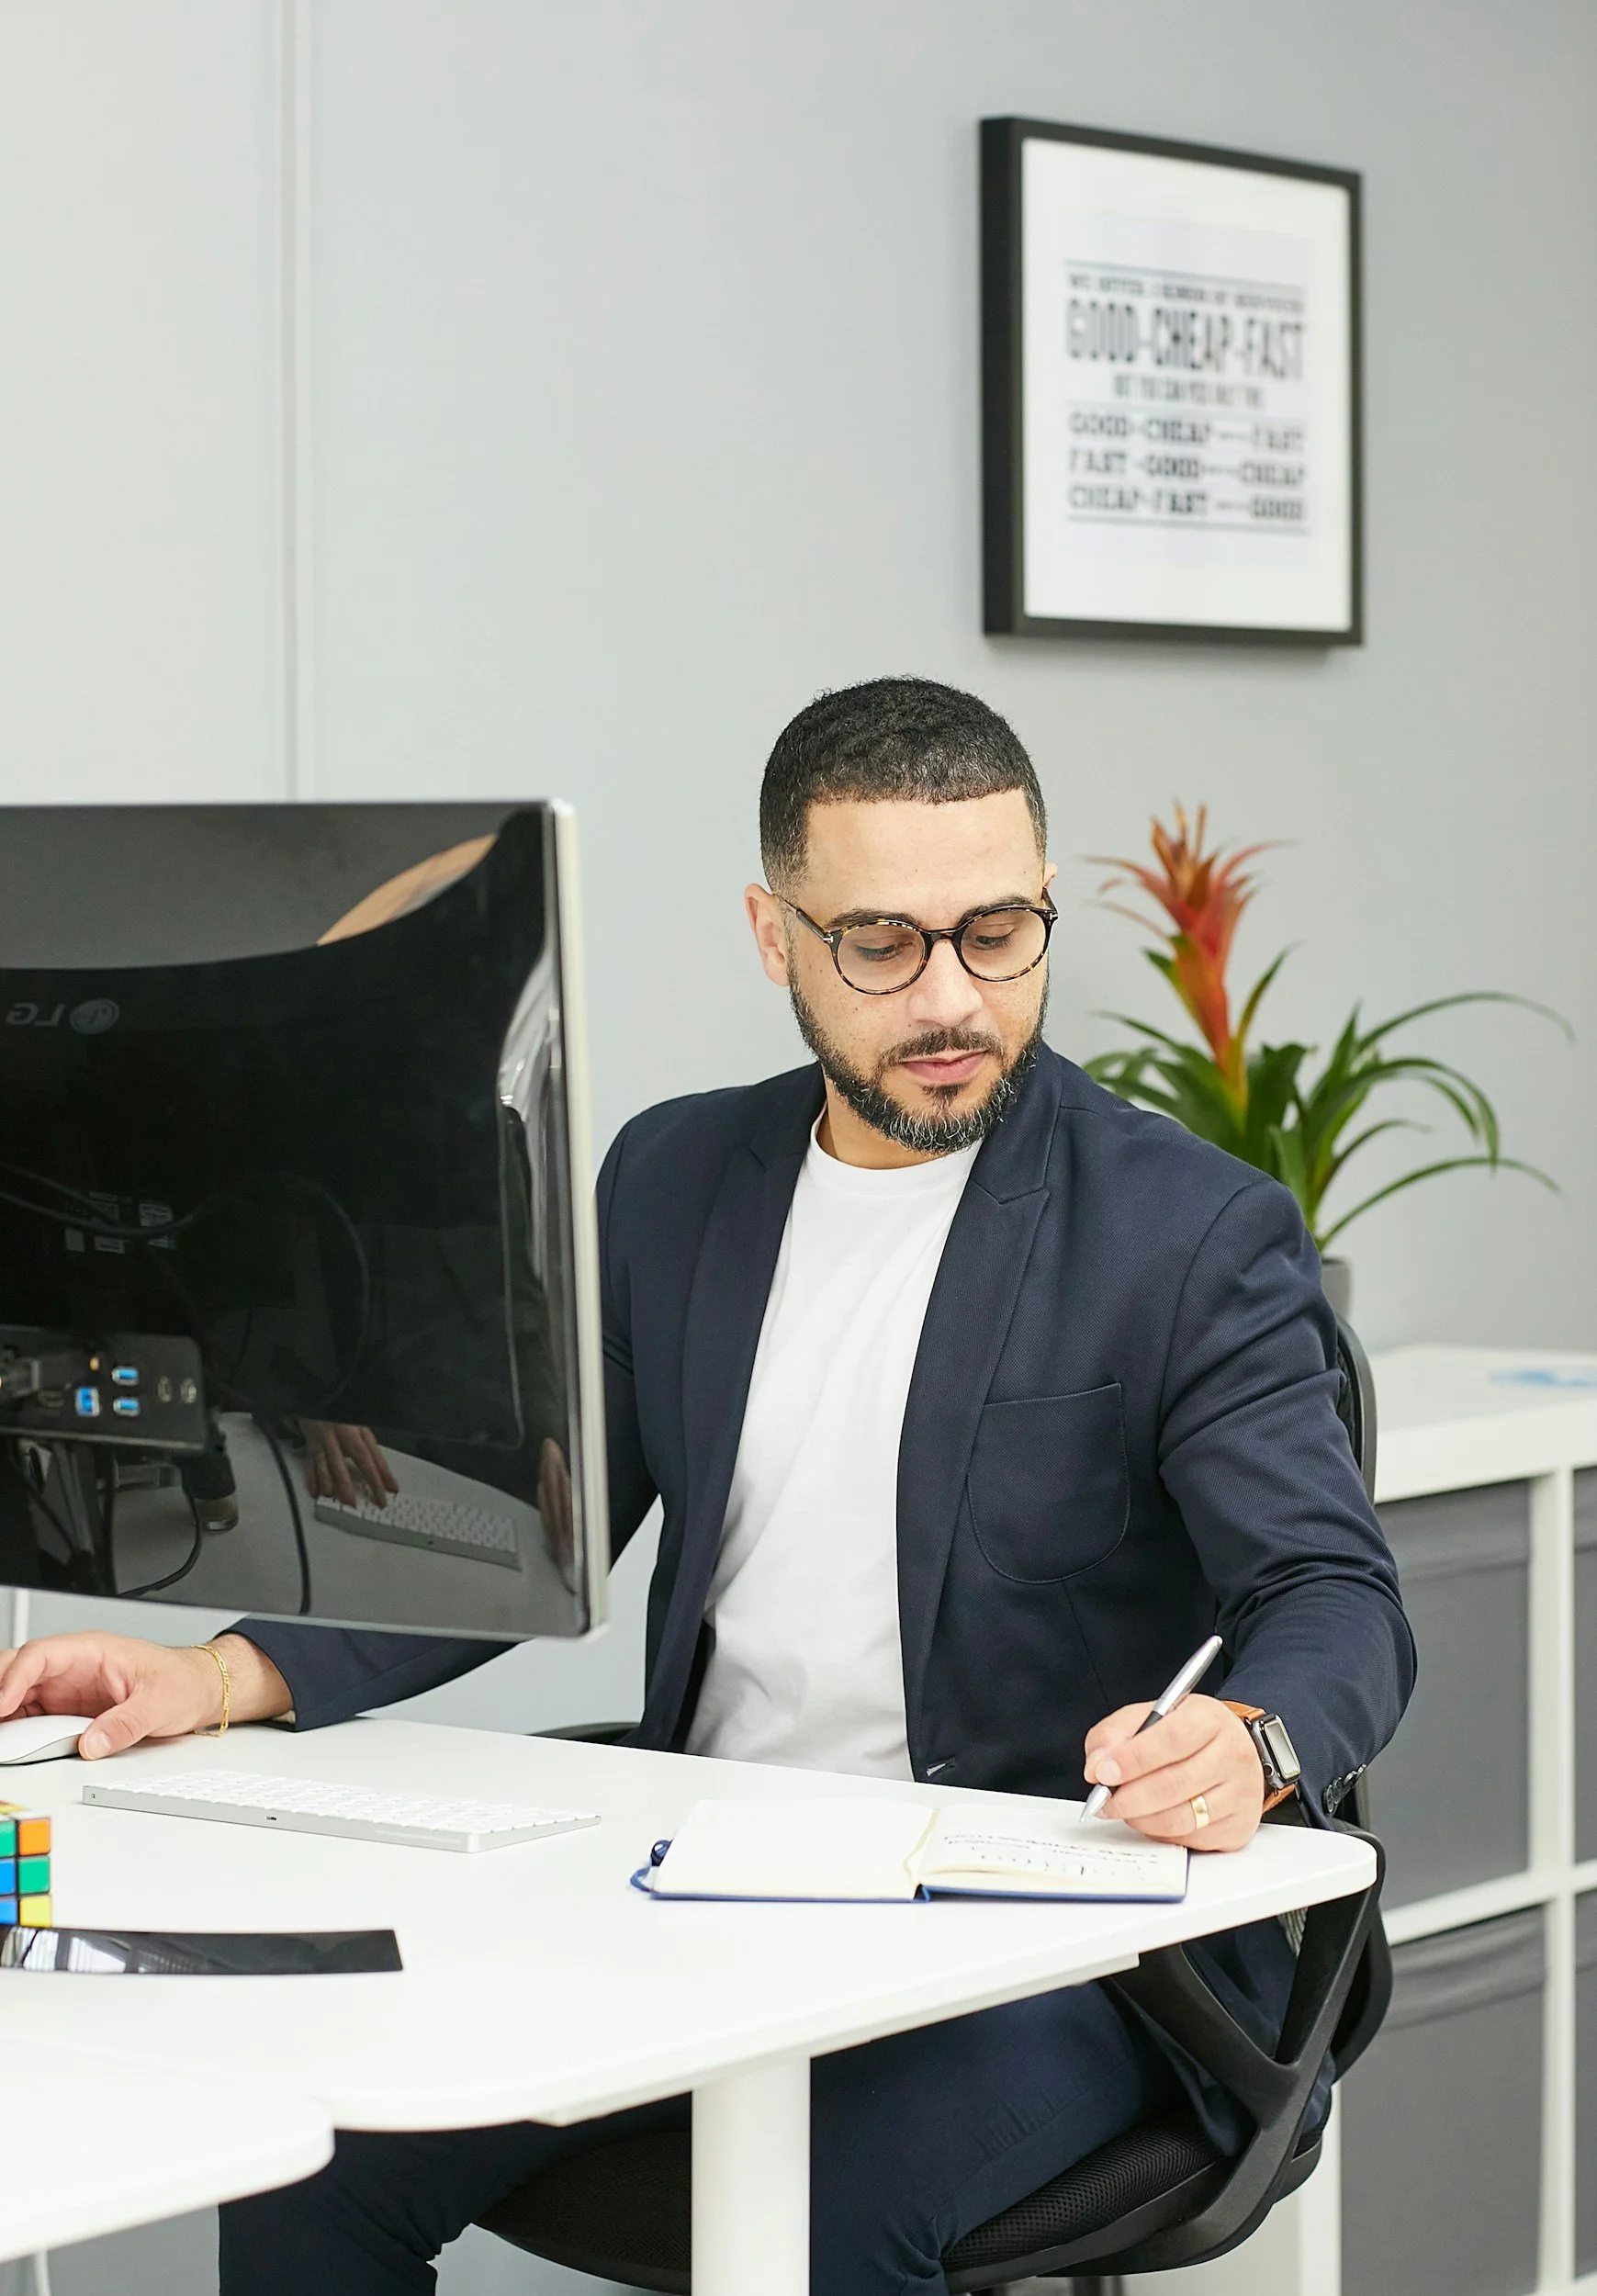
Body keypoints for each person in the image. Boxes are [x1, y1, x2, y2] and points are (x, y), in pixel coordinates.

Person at [0, 678, 1414, 2296]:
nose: (949, 997)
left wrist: (1252, 1740)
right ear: (775, 933)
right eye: (880, 944)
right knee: (319, 2153)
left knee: (810, 2228)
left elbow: (1330, 1596)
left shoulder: (1185, 1230)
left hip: (1052, 1935)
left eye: (997, 932)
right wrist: (223, 1673)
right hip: (708, 1881)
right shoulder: (674, 1179)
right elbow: (531, 1534)